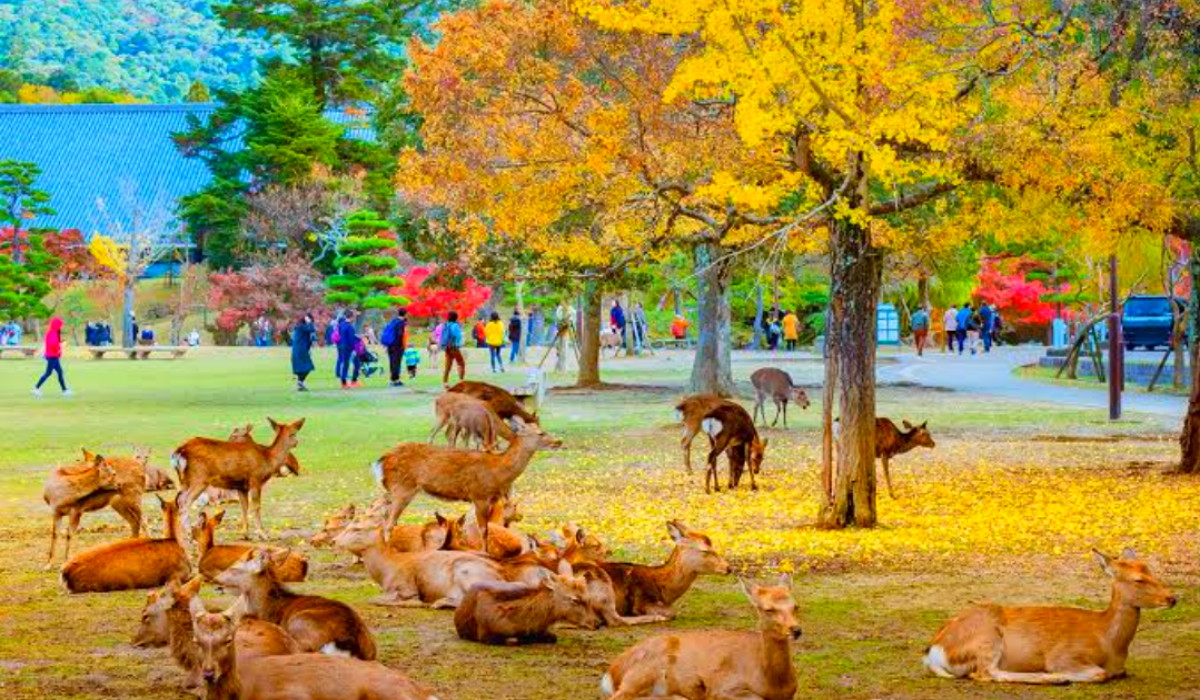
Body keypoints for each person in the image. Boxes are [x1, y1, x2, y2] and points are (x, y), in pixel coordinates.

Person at [32, 317, 70, 397]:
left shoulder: (54, 332)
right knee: (48, 373)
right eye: (60, 325)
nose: (61, 327)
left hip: (53, 356)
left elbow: (54, 343)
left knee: (60, 372)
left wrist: (60, 343)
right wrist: (60, 346)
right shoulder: (52, 333)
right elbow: (52, 345)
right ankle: (36, 388)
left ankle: (64, 390)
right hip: (52, 356)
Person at [382, 308, 408, 387]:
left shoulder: (393, 321)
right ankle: (395, 380)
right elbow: (400, 334)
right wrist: (402, 346)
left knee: (392, 362)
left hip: (390, 345)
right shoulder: (401, 323)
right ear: (405, 314)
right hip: (397, 346)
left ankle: (393, 379)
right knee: (396, 362)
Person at [291, 314, 316, 391]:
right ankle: (300, 383)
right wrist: (309, 322)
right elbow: (312, 329)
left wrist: (309, 349)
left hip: (301, 349)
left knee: (303, 368)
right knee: (307, 367)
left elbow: (308, 338)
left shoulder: (302, 327)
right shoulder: (301, 326)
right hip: (300, 350)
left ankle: (300, 383)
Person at [335, 310, 360, 388]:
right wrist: (355, 349)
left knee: (346, 364)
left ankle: (346, 382)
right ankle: (346, 382)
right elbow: (351, 339)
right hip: (349, 348)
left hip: (342, 346)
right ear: (352, 317)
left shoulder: (341, 325)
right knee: (351, 364)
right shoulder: (350, 327)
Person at [441, 311, 466, 386]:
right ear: (456, 317)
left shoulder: (446, 324)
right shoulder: (455, 325)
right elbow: (456, 335)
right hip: (453, 346)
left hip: (446, 347)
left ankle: (445, 382)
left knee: (448, 365)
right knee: (461, 363)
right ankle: (461, 381)